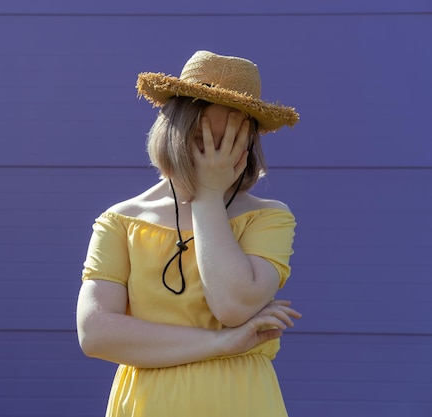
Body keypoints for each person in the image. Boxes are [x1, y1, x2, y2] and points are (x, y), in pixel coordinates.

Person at [76, 50, 302, 417]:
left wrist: (209, 196)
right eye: (202, 138)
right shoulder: (120, 220)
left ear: (248, 144)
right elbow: (95, 333)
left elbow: (233, 305)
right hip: (148, 404)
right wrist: (224, 343)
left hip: (240, 401)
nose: (213, 155)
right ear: (175, 129)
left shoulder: (269, 218)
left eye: (229, 140)